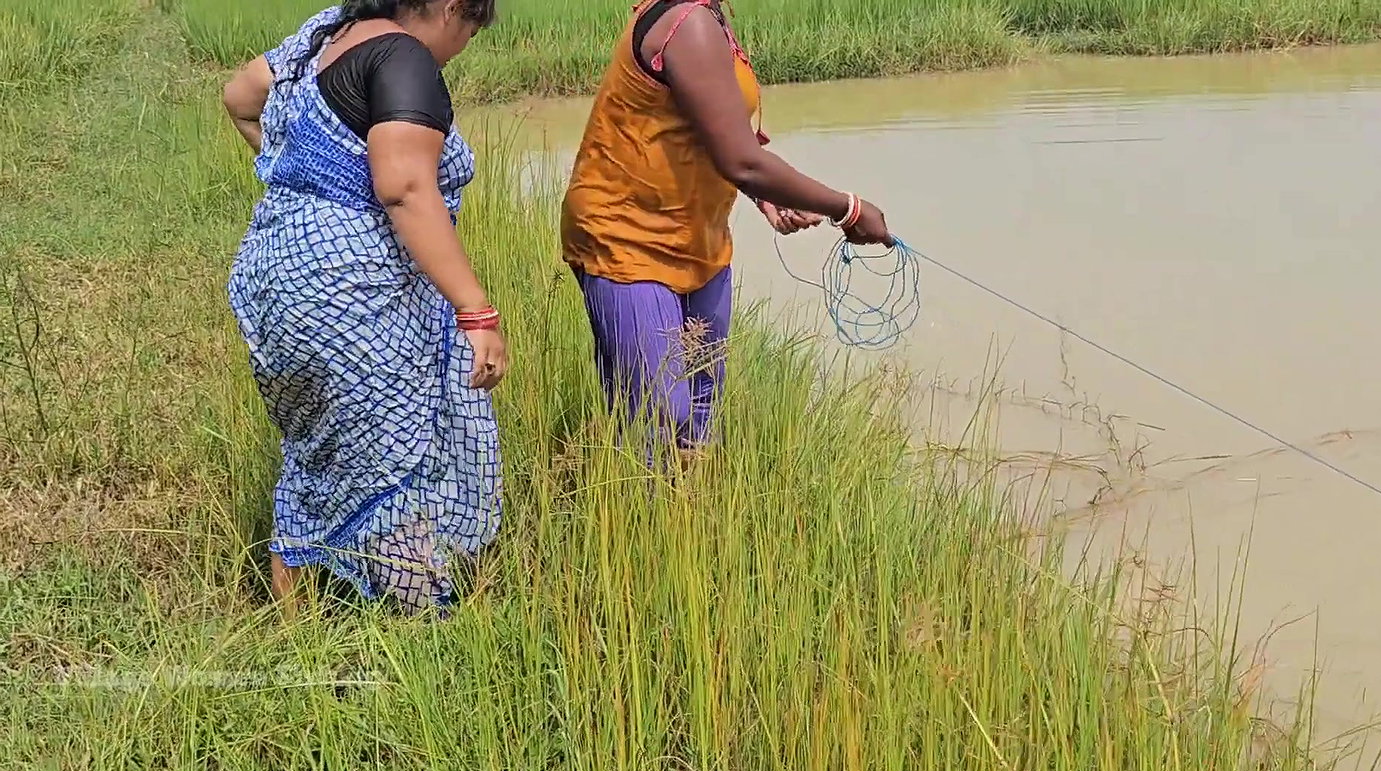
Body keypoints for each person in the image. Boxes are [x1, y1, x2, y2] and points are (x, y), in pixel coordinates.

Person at [221, 0, 504, 620]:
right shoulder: (405, 58)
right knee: (390, 458)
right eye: (471, 30)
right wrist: (476, 311)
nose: (464, 45)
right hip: (349, 295)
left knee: (315, 447)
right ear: (452, 8)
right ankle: (424, 627)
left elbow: (240, 96)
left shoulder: (328, 33)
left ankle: (293, 631)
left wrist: (311, 177)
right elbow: (404, 188)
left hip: (275, 274)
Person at [561, 0, 893, 468]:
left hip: (697, 236)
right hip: (626, 235)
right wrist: (849, 209)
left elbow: (715, 132)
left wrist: (762, 193)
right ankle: (642, 527)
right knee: (659, 418)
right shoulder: (688, 23)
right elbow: (742, 159)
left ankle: (695, 520)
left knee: (702, 409)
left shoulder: (712, 13)